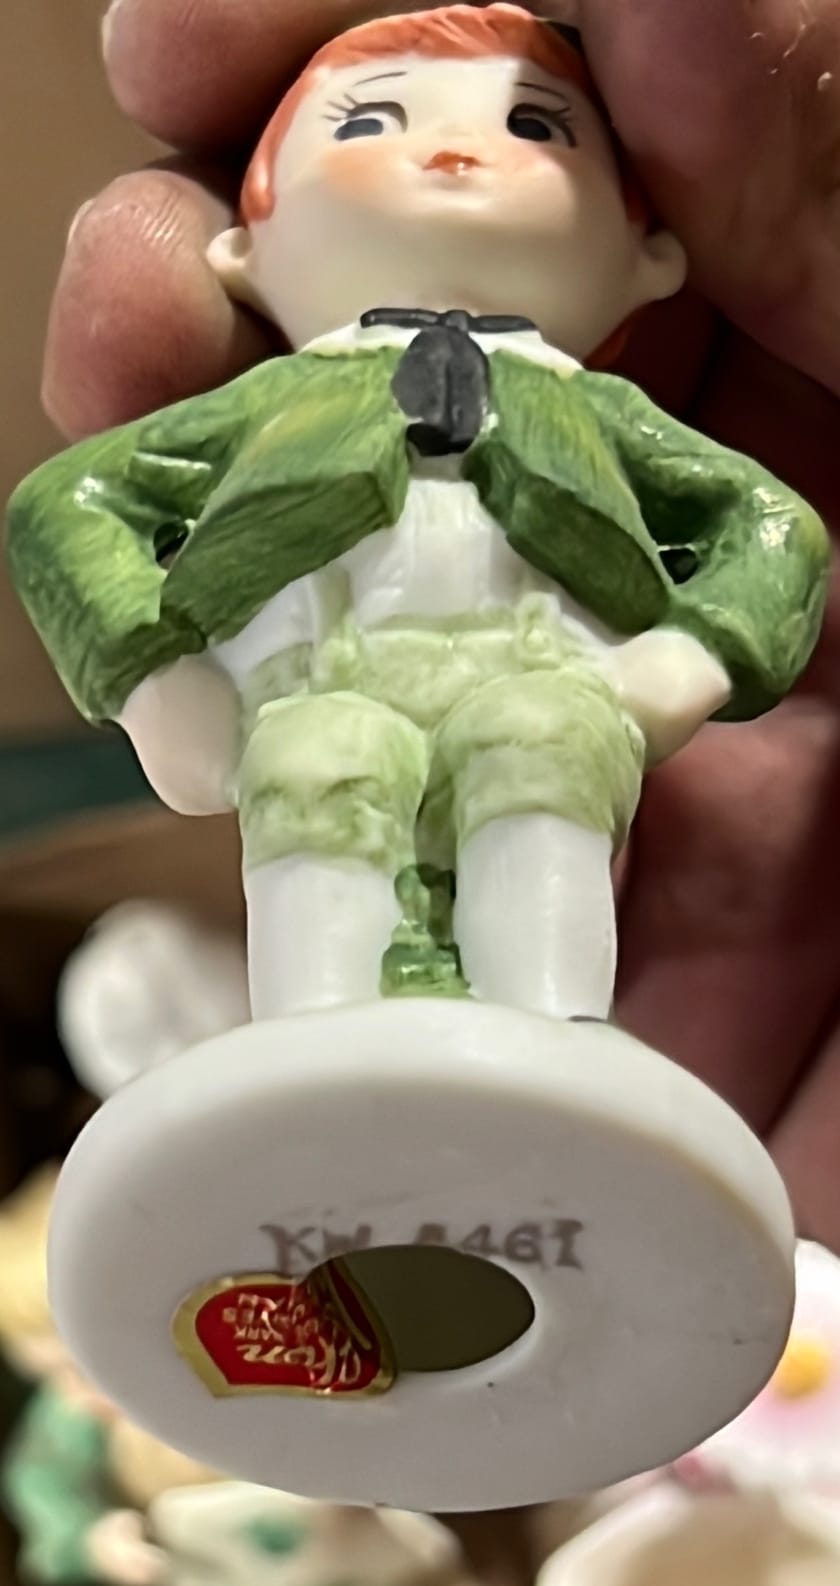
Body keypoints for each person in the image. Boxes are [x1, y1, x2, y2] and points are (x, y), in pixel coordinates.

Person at [29, 0, 840, 1244]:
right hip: (313, 688)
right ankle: (314, 1065)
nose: (456, 150)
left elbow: (772, 527)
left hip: (548, 688)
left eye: (535, 128)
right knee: (318, 766)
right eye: (368, 125)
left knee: (539, 752)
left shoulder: (606, 415)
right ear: (246, 249)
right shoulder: (266, 409)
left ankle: (554, 1058)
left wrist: (693, 653)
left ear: (651, 257)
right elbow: (66, 507)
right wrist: (149, 675)